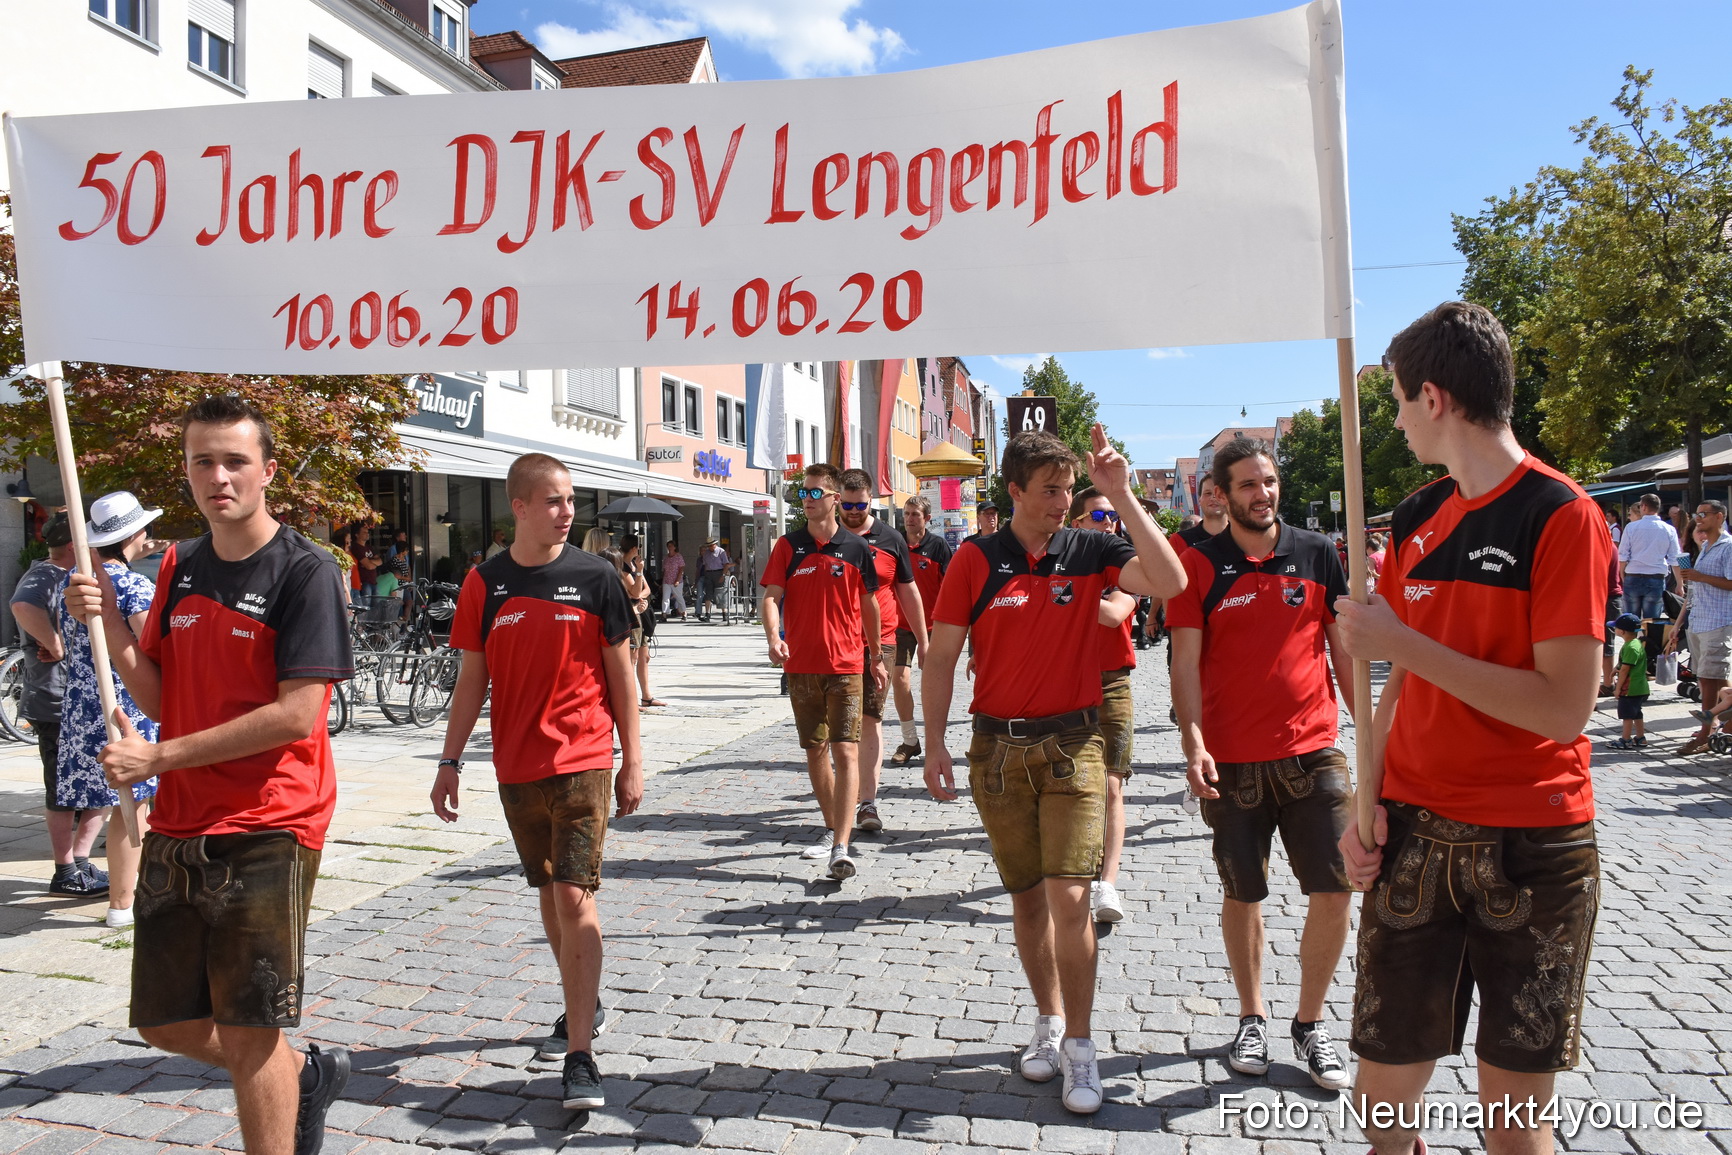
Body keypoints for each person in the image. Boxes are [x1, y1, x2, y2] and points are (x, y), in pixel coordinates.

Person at [1332, 302, 1611, 1155]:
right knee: (1382, 1111)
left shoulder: (1561, 515)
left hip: (1536, 844)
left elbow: (1565, 705)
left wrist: (1400, 641)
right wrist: (1363, 799)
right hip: (1413, 830)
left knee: (1513, 1129)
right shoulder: (1416, 518)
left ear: (1433, 396)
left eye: (1395, 399)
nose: (1393, 416)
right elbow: (1396, 683)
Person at [65, 395, 356, 1155]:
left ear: (266, 469)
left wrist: (157, 757)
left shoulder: (305, 571)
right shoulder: (180, 563)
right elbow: (160, 691)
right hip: (181, 820)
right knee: (164, 1022)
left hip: (272, 820)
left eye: (234, 460)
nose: (218, 475)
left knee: (250, 1024)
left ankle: (279, 1101)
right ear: (188, 470)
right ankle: (307, 1075)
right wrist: (106, 623)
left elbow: (298, 714)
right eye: (202, 460)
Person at [921, 425, 1185, 1116]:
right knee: (1028, 898)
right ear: (1013, 491)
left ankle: (1082, 1044)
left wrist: (1121, 493)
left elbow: (1172, 580)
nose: (1063, 502)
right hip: (998, 752)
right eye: (1049, 490)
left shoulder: (1091, 547)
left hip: (1074, 745)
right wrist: (934, 741)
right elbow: (942, 656)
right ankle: (1047, 1018)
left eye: (1070, 489)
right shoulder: (976, 560)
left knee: (1072, 898)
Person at [432, 452, 642, 1112]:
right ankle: (586, 1000)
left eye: (571, 499)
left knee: (574, 892)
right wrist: (449, 760)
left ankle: (580, 1054)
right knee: (551, 892)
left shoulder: (596, 576)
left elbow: (622, 676)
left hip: (583, 759)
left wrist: (632, 757)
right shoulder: (484, 583)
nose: (567, 510)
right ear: (518, 507)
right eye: (553, 500)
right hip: (516, 767)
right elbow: (473, 678)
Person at [1166, 440, 1356, 1092]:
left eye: (1269, 480)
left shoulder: (1316, 552)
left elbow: (1344, 651)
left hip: (1314, 751)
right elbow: (1185, 662)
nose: (1261, 493)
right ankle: (1252, 1014)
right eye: (1247, 483)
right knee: (1243, 890)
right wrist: (1193, 741)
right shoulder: (1196, 564)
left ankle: (1309, 1022)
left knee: (1335, 887)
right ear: (1219, 491)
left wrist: (1381, 735)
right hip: (1234, 759)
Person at [759, 464, 885, 881]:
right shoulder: (788, 547)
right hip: (801, 667)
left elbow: (869, 604)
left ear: (834, 497)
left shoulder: (856, 549)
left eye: (815, 493)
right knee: (815, 750)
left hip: (846, 665)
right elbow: (772, 597)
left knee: (845, 750)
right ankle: (833, 826)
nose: (808, 500)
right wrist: (774, 637)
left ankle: (841, 846)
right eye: (804, 495)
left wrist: (876, 655)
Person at [58, 491, 164, 929]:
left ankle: (126, 892)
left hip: (83, 701)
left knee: (114, 800)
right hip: (126, 702)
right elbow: (153, 647)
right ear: (135, 534)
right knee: (130, 804)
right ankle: (123, 903)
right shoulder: (133, 585)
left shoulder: (76, 584)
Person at [10, 515, 106, 898]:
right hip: (57, 704)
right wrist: (57, 642)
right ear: (74, 546)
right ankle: (66, 869)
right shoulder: (47, 575)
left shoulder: (64, 576)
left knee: (96, 787)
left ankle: (79, 863)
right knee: (63, 791)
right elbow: (22, 606)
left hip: (76, 701)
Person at [837, 470, 927, 834]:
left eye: (861, 504)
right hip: (837, 642)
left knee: (871, 718)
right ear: (837, 500)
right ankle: (843, 795)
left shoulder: (890, 539)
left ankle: (867, 802)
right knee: (842, 727)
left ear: (871, 499)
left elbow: (908, 591)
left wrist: (924, 640)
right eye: (848, 504)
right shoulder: (828, 537)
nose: (854, 511)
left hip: (883, 641)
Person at [1068, 488, 1139, 926]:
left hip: (1113, 685)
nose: (1109, 522)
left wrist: (1057, 596)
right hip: (1066, 683)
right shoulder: (1063, 568)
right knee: (1074, 785)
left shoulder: (1125, 568)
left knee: (1112, 785)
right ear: (1077, 523)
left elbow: (1113, 615)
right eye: (1098, 515)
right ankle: (1072, 870)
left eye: (1112, 515)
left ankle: (1107, 882)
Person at [894, 496, 951, 764]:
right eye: (907, 513)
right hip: (900, 625)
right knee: (900, 679)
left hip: (933, 626)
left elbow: (951, 588)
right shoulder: (895, 544)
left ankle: (934, 743)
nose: (910, 518)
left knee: (931, 684)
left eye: (915, 514)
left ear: (927, 518)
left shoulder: (938, 546)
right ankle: (909, 740)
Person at [1675, 500, 1732, 755]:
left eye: (1703, 514)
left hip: (1719, 621)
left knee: (1710, 679)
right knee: (1711, 678)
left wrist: (1699, 577)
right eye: (1697, 514)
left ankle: (1706, 732)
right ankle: (1721, 728)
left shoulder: (1728, 547)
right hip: (1701, 619)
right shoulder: (1707, 546)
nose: (1698, 518)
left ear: (1719, 517)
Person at [617, 535, 664, 708]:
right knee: (633, 656)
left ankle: (646, 695)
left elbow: (646, 590)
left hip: (642, 612)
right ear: (634, 549)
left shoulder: (634, 566)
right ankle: (629, 698)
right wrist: (637, 592)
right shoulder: (622, 566)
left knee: (644, 656)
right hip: (632, 614)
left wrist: (639, 596)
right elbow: (636, 591)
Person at [1618, 492, 1680, 621]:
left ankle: (1631, 641)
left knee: (1630, 621)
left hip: (1633, 575)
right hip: (1656, 577)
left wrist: (1622, 573)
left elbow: (1623, 554)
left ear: (1644, 507)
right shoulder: (1669, 529)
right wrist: (1680, 583)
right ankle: (1649, 640)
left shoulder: (1631, 527)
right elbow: (1674, 558)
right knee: (1652, 622)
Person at [1604, 613, 1648, 750]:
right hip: (1640, 687)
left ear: (1622, 631)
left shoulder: (1630, 647)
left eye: (1616, 627)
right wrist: (1615, 668)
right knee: (1636, 713)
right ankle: (1640, 737)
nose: (1614, 629)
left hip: (1630, 688)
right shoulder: (1635, 643)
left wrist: (1618, 689)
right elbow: (1624, 664)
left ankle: (1626, 739)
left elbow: (1625, 670)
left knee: (1627, 715)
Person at [698, 538, 732, 622]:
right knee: (708, 594)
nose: (710, 547)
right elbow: (705, 565)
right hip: (709, 574)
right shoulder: (706, 553)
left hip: (719, 572)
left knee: (721, 593)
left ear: (715, 544)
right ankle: (707, 615)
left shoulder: (721, 551)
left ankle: (724, 614)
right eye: (708, 545)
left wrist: (723, 575)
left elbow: (726, 564)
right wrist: (706, 574)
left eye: (711, 545)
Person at [661, 542, 687, 620]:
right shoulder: (666, 558)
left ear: (674, 547)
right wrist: (662, 581)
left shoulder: (678, 556)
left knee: (679, 597)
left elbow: (681, 569)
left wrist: (677, 580)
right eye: (668, 546)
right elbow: (664, 570)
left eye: (671, 546)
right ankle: (664, 614)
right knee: (665, 598)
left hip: (676, 580)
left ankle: (684, 612)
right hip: (667, 581)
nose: (669, 547)